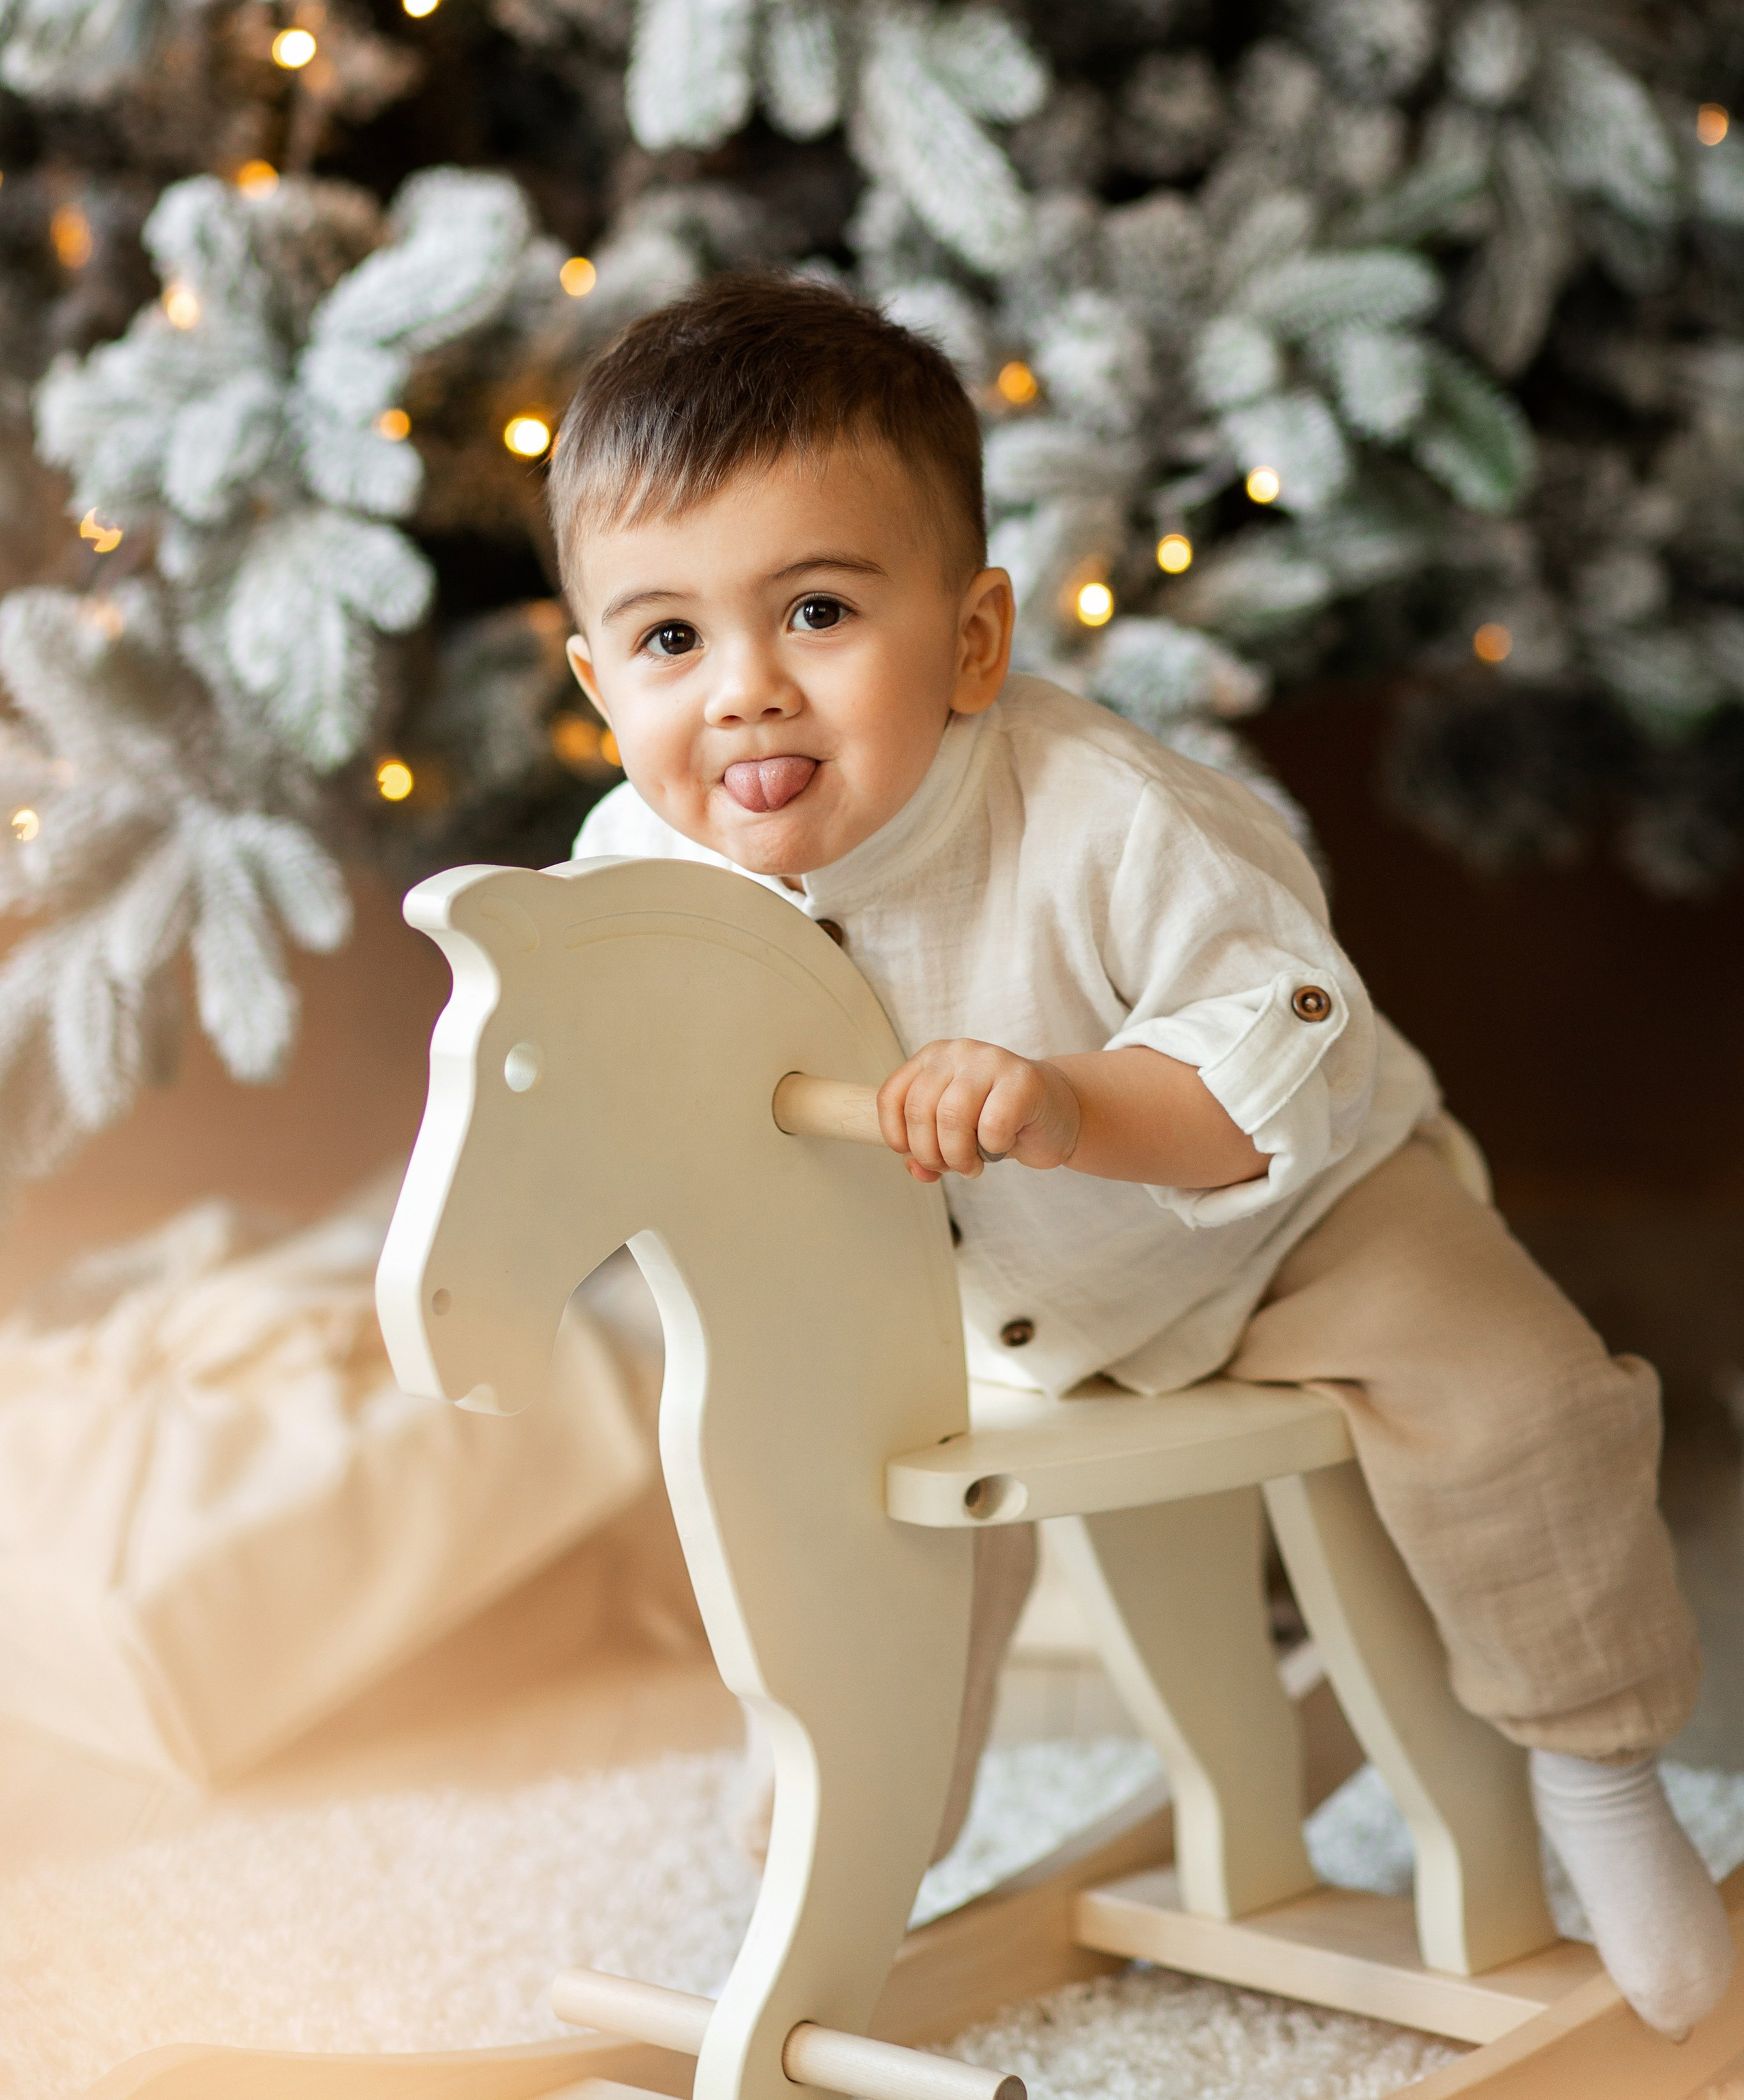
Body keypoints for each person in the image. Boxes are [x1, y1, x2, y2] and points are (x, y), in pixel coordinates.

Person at [549, 269, 1732, 2039]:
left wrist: (1071, 1102)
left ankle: (1595, 1766)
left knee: (1520, 1407)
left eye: (813, 612)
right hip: (945, 1310)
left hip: (1277, 1222)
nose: (743, 698)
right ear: (594, 677)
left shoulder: (1105, 817)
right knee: (840, 1525)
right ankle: (844, 1842)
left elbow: (1271, 1049)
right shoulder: (633, 868)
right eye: (668, 642)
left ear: (970, 636)